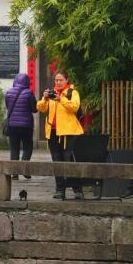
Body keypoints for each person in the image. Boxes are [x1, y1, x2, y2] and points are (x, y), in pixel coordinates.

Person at [37, 70, 84, 199]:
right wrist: (45, 98)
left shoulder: (72, 93)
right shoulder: (51, 93)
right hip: (53, 132)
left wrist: (60, 99)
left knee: (70, 160)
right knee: (56, 160)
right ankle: (60, 190)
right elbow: (40, 108)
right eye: (56, 80)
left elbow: (75, 107)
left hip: (69, 132)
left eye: (61, 80)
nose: (58, 82)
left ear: (66, 80)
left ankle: (77, 190)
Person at [4, 71, 36, 199]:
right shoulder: (29, 93)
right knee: (28, 146)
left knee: (14, 148)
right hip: (26, 125)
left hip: (12, 124)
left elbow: (8, 107)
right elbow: (34, 108)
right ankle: (24, 168)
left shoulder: (9, 93)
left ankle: (14, 172)